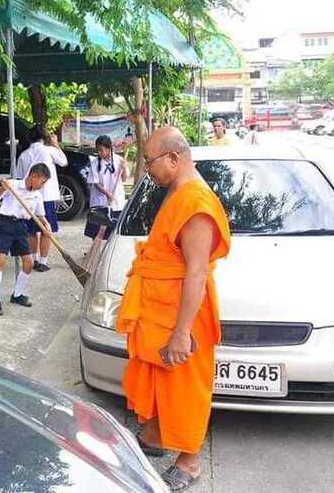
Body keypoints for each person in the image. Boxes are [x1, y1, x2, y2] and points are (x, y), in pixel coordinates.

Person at [114, 127, 231, 492]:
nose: (146, 169)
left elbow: (196, 272)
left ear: (174, 159)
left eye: (149, 161)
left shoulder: (197, 203)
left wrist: (182, 332)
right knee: (158, 377)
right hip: (160, 307)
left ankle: (190, 461)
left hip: (182, 315)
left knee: (184, 386)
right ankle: (154, 436)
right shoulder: (177, 192)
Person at [0, 163, 51, 316]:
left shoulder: (37, 195)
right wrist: (2, 189)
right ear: (34, 176)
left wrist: (46, 225)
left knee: (29, 263)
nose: (42, 186)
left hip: (21, 226)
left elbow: (39, 215)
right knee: (0, 259)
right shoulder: (13, 185)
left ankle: (17, 294)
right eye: (42, 182)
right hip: (6, 223)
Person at [15, 125, 68, 272]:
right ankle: (43, 261)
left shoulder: (24, 155)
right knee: (47, 229)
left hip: (30, 197)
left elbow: (19, 178)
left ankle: (34, 259)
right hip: (46, 196)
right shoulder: (49, 150)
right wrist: (56, 144)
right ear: (45, 137)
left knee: (32, 230)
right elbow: (64, 162)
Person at [84, 135, 126, 240]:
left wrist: (124, 168)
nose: (99, 153)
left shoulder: (119, 160)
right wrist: (107, 194)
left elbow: (124, 178)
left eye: (101, 150)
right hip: (99, 202)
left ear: (109, 148)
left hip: (116, 201)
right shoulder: (95, 163)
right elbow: (96, 183)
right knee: (97, 233)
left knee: (113, 233)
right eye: (98, 150)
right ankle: (97, 248)